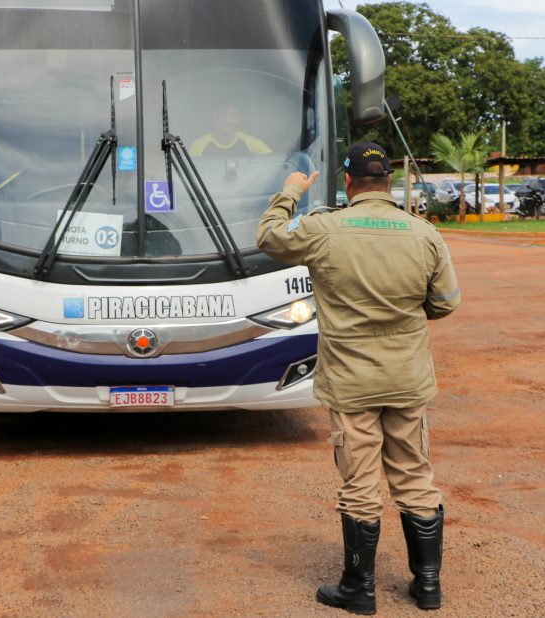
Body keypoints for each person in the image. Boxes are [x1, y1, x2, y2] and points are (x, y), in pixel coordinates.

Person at [255, 142, 460, 615]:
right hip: (407, 376)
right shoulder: (423, 233)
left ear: (348, 182)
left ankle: (359, 589)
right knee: (414, 475)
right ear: (389, 181)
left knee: (360, 484)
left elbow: (268, 237)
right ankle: (428, 586)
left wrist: (289, 192)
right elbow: (446, 302)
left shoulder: (323, 229)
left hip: (351, 381)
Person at [190, 103, 272, 157]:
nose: (228, 120)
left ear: (239, 119)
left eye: (233, 115)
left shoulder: (250, 142)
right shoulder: (198, 146)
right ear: (215, 116)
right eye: (223, 114)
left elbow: (272, 162)